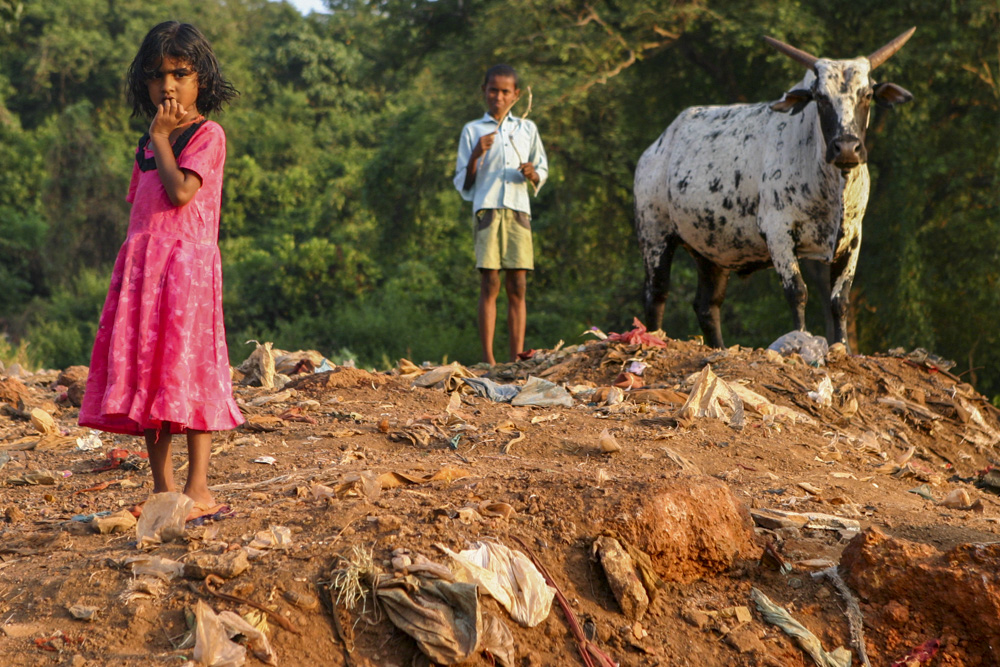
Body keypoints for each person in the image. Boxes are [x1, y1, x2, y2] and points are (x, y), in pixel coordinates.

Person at [78, 21, 242, 513]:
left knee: (188, 370)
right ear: (143, 82)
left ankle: (199, 488)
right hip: (145, 271)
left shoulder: (207, 135)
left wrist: (162, 137)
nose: (167, 85)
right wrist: (156, 139)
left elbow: (182, 192)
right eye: (156, 75)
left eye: (179, 73)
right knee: (148, 375)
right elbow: (143, 210)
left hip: (187, 272)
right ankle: (163, 490)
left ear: (202, 81)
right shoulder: (149, 143)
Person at [453, 64, 548, 366]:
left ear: (516, 95)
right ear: (484, 91)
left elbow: (541, 170)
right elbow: (464, 183)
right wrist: (475, 156)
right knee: (490, 282)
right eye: (493, 90)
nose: (498, 96)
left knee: (518, 284)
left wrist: (533, 173)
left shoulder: (526, 129)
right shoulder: (473, 130)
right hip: (488, 210)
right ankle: (488, 359)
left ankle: (516, 358)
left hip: (519, 211)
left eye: (505, 91)